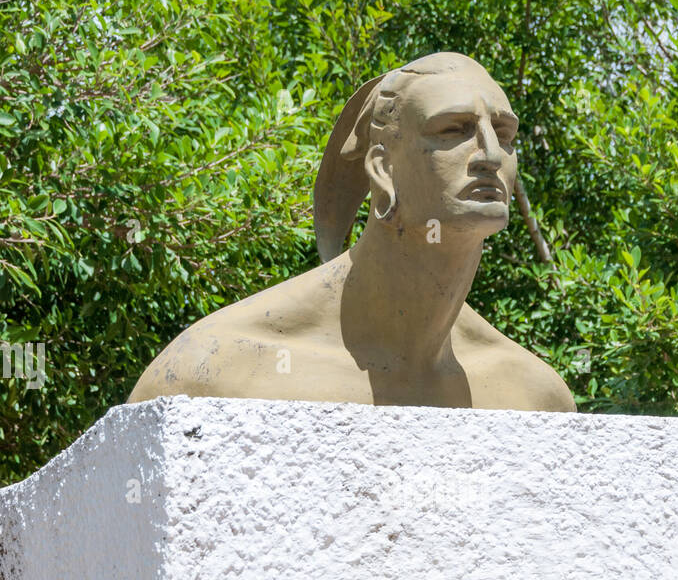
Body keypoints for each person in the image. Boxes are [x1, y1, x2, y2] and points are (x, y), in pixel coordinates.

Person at [129, 52, 576, 412]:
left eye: (503, 133)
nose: (491, 155)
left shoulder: (533, 398)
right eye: (453, 129)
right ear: (382, 169)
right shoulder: (213, 372)